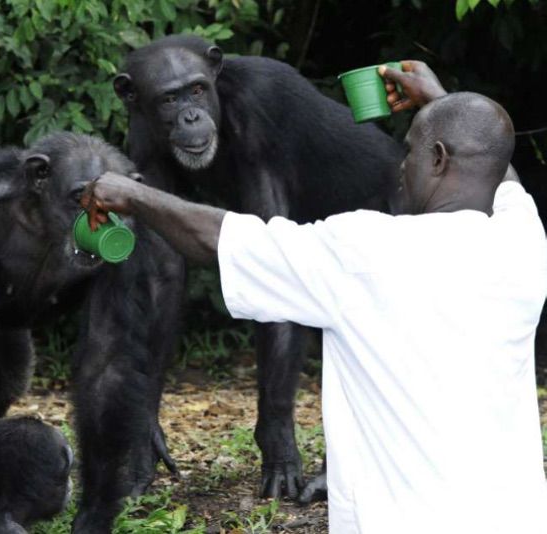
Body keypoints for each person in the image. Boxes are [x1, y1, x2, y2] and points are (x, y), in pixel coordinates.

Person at [81, 62, 547, 534]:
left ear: (439, 160)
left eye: (409, 152)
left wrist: (133, 196)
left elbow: (219, 239)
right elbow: (498, 170)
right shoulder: (524, 240)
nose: (399, 165)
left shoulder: (363, 253)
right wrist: (442, 101)